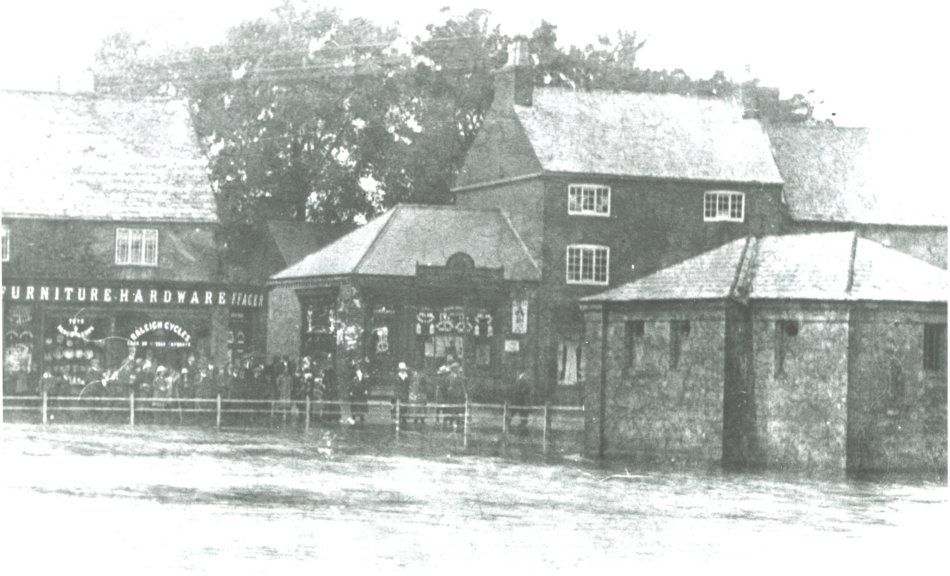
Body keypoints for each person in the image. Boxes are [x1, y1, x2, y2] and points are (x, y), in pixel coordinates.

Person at [348, 359, 370, 425]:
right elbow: (350, 382)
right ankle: (353, 416)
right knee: (354, 403)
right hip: (354, 390)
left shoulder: (362, 373)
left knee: (361, 402)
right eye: (356, 366)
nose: (357, 367)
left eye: (358, 366)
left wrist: (366, 389)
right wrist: (350, 390)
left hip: (361, 389)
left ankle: (361, 416)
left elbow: (365, 382)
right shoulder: (352, 373)